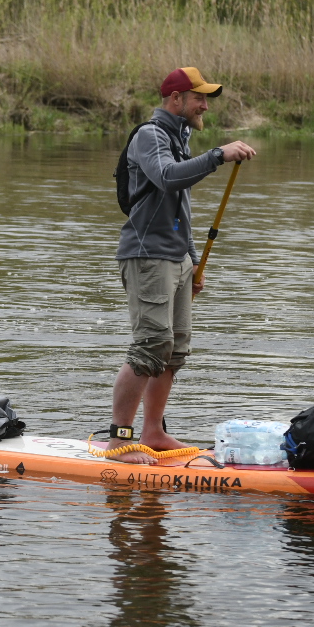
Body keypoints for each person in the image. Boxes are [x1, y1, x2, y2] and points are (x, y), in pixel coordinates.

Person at [109, 67, 256, 464]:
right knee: (150, 346)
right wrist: (217, 156)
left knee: (174, 351)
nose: (204, 105)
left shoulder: (178, 137)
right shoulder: (150, 136)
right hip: (147, 257)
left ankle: (153, 432)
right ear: (177, 100)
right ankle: (119, 440)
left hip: (176, 259)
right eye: (199, 98)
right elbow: (168, 178)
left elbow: (180, 208)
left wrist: (194, 260)